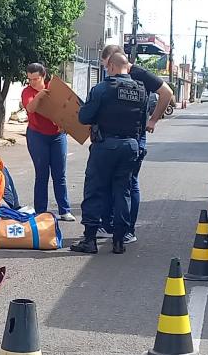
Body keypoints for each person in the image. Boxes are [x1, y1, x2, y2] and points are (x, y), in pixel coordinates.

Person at [100, 43, 178, 243]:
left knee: (129, 182)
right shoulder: (112, 77)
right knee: (112, 182)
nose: (107, 70)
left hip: (134, 136)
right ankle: (111, 225)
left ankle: (128, 230)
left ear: (117, 60)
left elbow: (167, 93)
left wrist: (153, 119)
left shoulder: (140, 74)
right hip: (112, 136)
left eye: (108, 65)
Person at [71, 52, 147, 255]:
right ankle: (119, 241)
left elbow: (84, 117)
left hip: (105, 146)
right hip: (130, 146)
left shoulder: (102, 88)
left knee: (95, 190)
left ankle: (90, 239)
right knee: (123, 191)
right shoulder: (141, 90)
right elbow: (143, 121)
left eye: (106, 68)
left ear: (112, 67)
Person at [20, 63, 74, 221]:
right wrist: (40, 94)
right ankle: (41, 211)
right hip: (37, 135)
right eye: (29, 79)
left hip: (57, 136)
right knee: (42, 173)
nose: (32, 82)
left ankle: (64, 210)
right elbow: (30, 108)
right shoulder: (28, 92)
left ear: (43, 76)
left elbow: (68, 104)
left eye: (35, 79)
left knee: (60, 174)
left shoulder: (54, 87)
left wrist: (66, 123)